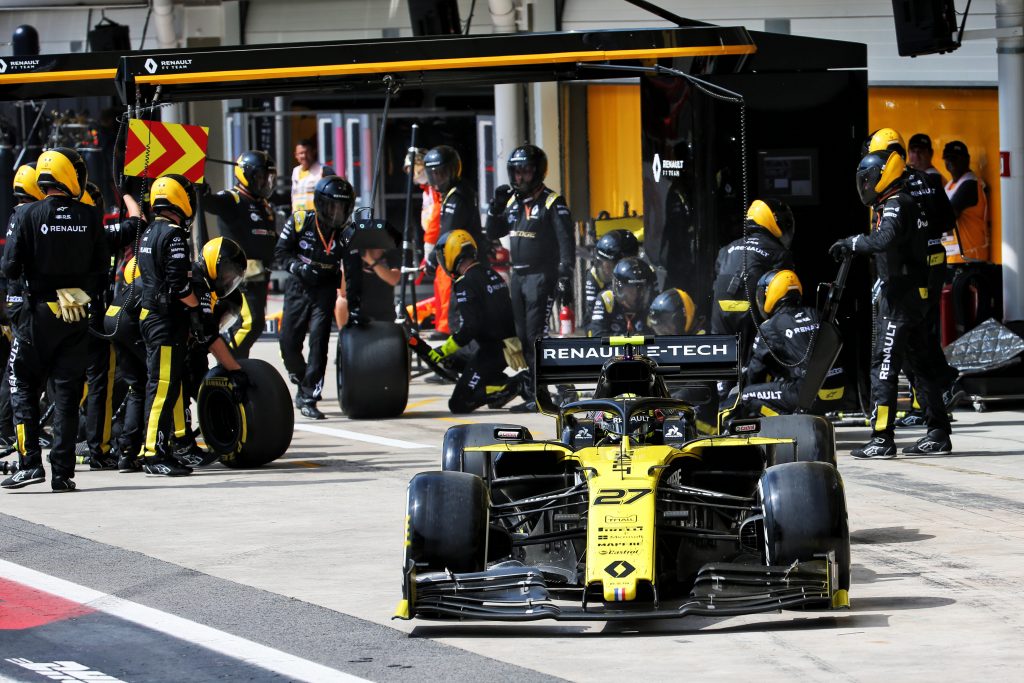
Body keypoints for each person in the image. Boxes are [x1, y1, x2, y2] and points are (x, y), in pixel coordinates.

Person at [830, 149, 952, 458]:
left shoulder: (896, 204)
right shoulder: (905, 200)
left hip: (900, 301)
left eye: (867, 179)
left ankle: (881, 438)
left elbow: (884, 239)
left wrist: (852, 243)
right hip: (914, 297)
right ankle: (938, 432)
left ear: (883, 176)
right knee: (921, 364)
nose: (865, 185)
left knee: (883, 365)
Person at [1, 147, 108, 491]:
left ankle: (30, 462)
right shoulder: (91, 217)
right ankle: (62, 474)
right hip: (75, 310)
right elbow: (101, 271)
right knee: (66, 394)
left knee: (21, 383)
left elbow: (9, 266)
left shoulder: (26, 214)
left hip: (37, 314)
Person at [867, 129, 961, 424]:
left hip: (907, 272)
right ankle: (932, 401)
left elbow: (889, 235)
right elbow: (947, 221)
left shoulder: (894, 188)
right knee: (923, 334)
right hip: (934, 264)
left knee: (908, 341)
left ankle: (938, 392)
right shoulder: (929, 180)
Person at [485, 144, 574, 412]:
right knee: (523, 339)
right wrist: (494, 208)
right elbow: (493, 232)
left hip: (541, 276)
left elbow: (566, 242)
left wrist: (564, 276)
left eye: (524, 171)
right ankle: (536, 390)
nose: (519, 177)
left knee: (536, 337)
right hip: (519, 276)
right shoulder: (512, 203)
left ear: (537, 172)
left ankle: (543, 394)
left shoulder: (552, 201)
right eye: (516, 172)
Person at [136, 174, 211, 476]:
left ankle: (163, 446)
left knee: (166, 386)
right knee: (163, 387)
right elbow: (180, 286)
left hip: (149, 316)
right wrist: (200, 313)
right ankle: (152, 453)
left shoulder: (149, 232)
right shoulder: (175, 235)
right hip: (165, 321)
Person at [276, 174, 356, 420]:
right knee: (288, 342)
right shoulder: (300, 221)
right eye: (332, 206)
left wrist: (355, 303)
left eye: (342, 207)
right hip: (298, 286)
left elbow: (352, 270)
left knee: (319, 343)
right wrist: (298, 268)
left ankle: (310, 396)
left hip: (325, 290)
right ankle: (301, 378)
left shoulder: (347, 232)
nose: (336, 212)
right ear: (320, 204)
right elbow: (280, 253)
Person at [426, 229, 529, 413]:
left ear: (450, 255)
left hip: (492, 350)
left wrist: (444, 348)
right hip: (503, 344)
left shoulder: (464, 282)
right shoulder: (490, 273)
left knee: (458, 404)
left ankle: (516, 384)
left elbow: (471, 327)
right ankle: (496, 382)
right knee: (449, 361)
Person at [731, 270, 842, 418]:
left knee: (746, 396)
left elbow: (755, 372)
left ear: (771, 293)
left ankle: (792, 423)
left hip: (808, 397)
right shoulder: (817, 314)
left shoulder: (769, 327)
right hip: (838, 393)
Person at [204, 150, 278, 357]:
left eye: (268, 177)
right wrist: (202, 189)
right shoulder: (232, 199)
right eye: (261, 177)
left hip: (261, 275)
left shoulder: (264, 205)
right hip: (238, 276)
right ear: (247, 175)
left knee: (250, 324)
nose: (265, 182)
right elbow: (210, 203)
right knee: (251, 323)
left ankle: (238, 363)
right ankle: (229, 363)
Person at [710, 199, 794, 371]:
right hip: (751, 319)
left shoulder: (726, 249)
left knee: (724, 371)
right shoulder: (779, 254)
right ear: (773, 221)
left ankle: (723, 392)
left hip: (720, 318)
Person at [0, 163, 45, 455]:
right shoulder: (25, 215)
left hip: (19, 302)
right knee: (18, 372)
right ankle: (6, 433)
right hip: (21, 303)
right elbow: (10, 265)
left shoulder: (20, 214)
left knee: (23, 371)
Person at [584, 229, 640, 328]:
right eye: (601, 262)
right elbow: (592, 319)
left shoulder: (645, 276)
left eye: (609, 265)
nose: (604, 269)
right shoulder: (594, 275)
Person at [589, 257, 656, 337]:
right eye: (630, 288)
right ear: (618, 287)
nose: (634, 293)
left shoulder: (654, 304)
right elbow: (596, 335)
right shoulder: (607, 299)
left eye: (640, 288)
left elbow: (662, 337)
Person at [290, 139, 333, 213]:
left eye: (307, 152)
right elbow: (294, 197)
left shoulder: (324, 170)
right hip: (299, 219)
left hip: (316, 219)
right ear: (296, 155)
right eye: (301, 153)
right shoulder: (295, 171)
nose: (304, 156)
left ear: (313, 152)